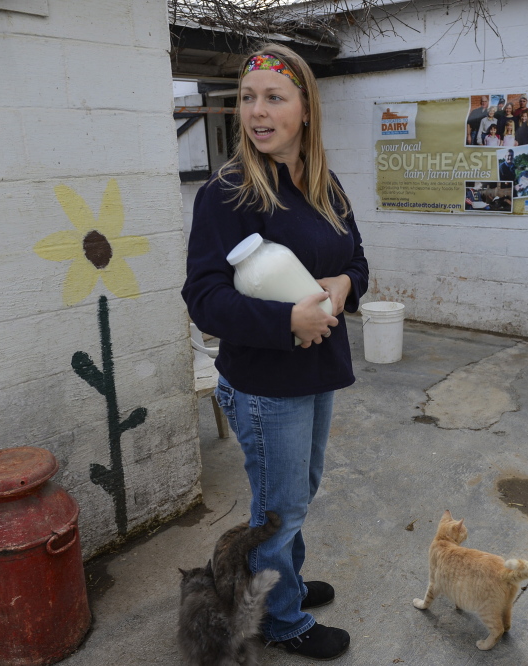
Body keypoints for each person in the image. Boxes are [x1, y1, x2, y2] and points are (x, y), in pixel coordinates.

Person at [181, 43, 368, 661]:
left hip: (317, 371)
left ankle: (284, 579)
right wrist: (288, 317)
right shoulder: (226, 193)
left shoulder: (324, 185)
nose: (257, 112)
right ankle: (280, 620)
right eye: (248, 98)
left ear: (305, 108)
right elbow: (203, 298)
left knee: (296, 496)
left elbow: (356, 262)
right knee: (278, 510)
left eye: (274, 98)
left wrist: (343, 286)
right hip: (265, 385)